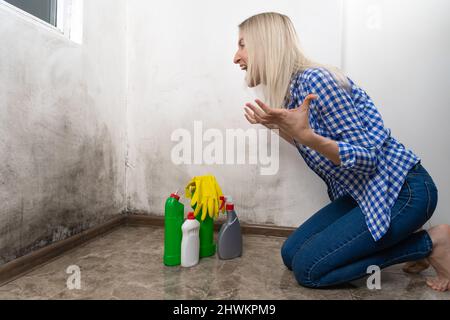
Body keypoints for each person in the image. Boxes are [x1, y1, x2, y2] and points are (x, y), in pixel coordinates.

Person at [234, 12, 450, 292]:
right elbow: (314, 147)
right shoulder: (292, 91)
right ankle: (407, 237)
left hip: (402, 192)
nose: (236, 57)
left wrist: (306, 135)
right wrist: (279, 127)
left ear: (265, 46)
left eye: (242, 45)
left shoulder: (317, 81)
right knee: (291, 254)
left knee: (309, 271)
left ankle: (430, 244)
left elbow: (367, 159)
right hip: (366, 192)